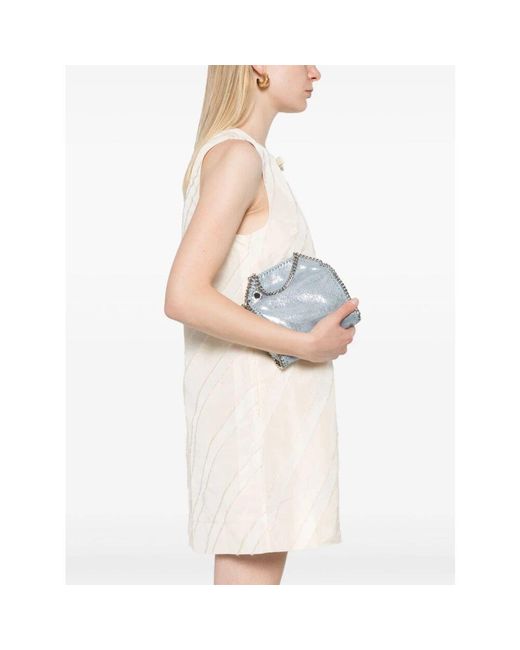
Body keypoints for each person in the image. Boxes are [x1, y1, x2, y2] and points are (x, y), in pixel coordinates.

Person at [164, 65, 359, 585]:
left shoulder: (247, 156)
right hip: (251, 416)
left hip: (260, 415)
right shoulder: (239, 157)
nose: (315, 70)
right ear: (257, 64)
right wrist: (306, 343)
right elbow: (183, 295)